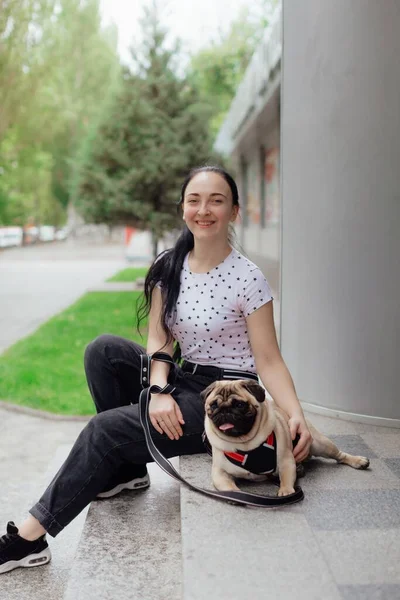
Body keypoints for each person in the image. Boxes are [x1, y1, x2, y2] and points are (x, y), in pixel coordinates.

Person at [0, 165, 312, 574]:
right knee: (102, 351)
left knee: (106, 428)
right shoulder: (169, 264)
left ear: (234, 211)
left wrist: (296, 414)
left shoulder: (248, 279)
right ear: (183, 208)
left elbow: (268, 361)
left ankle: (28, 539)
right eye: (195, 200)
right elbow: (160, 341)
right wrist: (160, 390)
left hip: (224, 400)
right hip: (183, 378)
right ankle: (126, 472)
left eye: (217, 201)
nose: (204, 210)